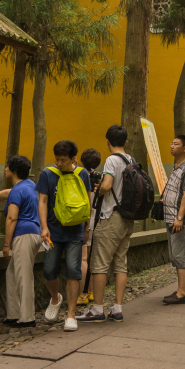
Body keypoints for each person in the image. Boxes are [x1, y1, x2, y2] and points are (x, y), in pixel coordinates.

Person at [76, 125, 134, 323]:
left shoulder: (112, 160)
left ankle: (97, 309)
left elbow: (107, 186)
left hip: (111, 217)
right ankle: (117, 308)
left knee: (99, 264)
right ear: (125, 142)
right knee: (120, 264)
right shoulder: (130, 160)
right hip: (127, 218)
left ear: (107, 141)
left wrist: (98, 188)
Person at [35, 140, 92, 331]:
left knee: (73, 270)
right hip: (52, 231)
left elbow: (87, 201)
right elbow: (42, 201)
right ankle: (55, 297)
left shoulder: (82, 174)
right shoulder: (47, 174)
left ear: (74, 159)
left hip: (75, 231)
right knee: (49, 270)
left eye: (63, 160)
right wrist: (43, 227)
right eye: (56, 159)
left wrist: (86, 227)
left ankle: (71, 315)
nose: (59, 163)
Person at [0, 155, 41, 327]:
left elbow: (12, 218)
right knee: (12, 274)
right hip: (34, 233)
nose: (5, 169)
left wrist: (6, 244)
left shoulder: (18, 190)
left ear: (13, 171)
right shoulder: (29, 185)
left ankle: (28, 318)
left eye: (7, 167)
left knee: (24, 276)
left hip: (23, 235)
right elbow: (8, 193)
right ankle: (14, 314)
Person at [162, 135, 185, 304]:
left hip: (179, 219)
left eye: (176, 144)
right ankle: (179, 290)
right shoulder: (176, 167)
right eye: (171, 143)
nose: (172, 146)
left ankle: (182, 293)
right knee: (175, 255)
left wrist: (180, 218)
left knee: (181, 255)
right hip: (171, 218)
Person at [77, 147, 102, 306]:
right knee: (92, 259)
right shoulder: (99, 178)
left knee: (83, 259)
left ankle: (82, 293)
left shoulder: (80, 176)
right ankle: (91, 292)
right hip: (97, 221)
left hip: (85, 222)